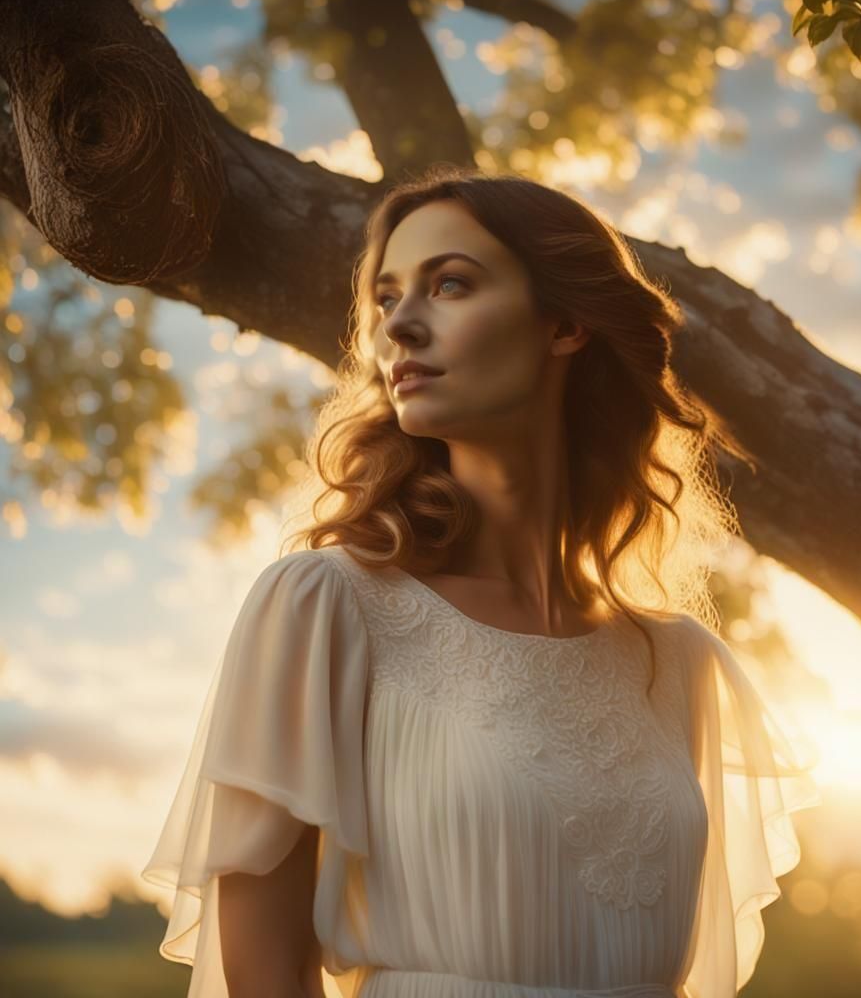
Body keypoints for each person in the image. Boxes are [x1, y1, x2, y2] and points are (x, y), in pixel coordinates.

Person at [141, 166, 820, 998]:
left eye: (449, 285)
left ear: (566, 323)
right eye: (386, 300)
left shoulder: (679, 664)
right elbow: (267, 973)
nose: (401, 329)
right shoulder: (325, 608)